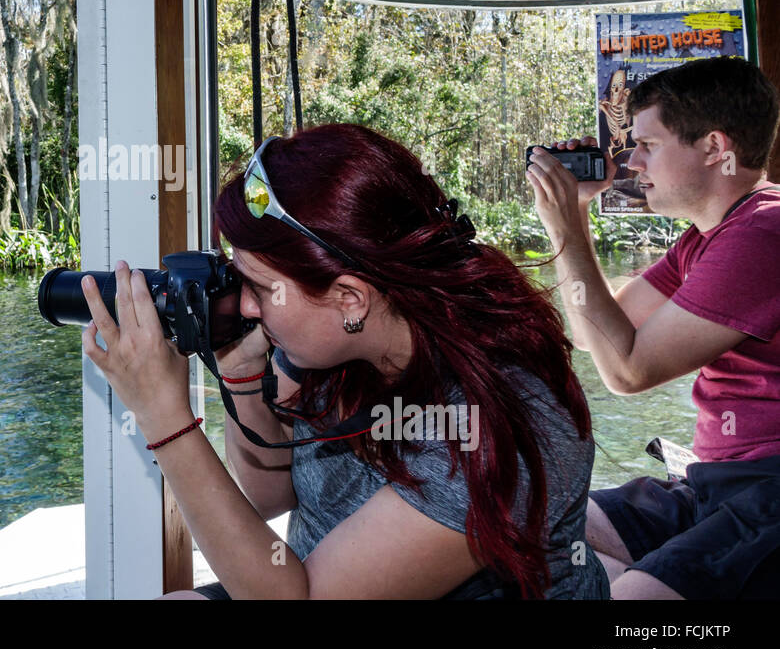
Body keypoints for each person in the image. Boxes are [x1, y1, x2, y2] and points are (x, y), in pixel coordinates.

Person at [81, 123, 609, 598]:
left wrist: (164, 417)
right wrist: (242, 368)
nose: (244, 304)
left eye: (261, 289)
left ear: (350, 299)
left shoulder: (503, 419)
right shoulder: (332, 347)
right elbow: (267, 496)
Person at [526, 54, 780, 599]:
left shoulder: (763, 233)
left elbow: (627, 370)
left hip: (768, 486)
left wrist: (568, 227)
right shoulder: (706, 237)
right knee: (526, 529)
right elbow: (598, 330)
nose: (632, 161)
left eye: (648, 144)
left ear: (715, 148)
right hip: (713, 483)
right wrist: (577, 218)